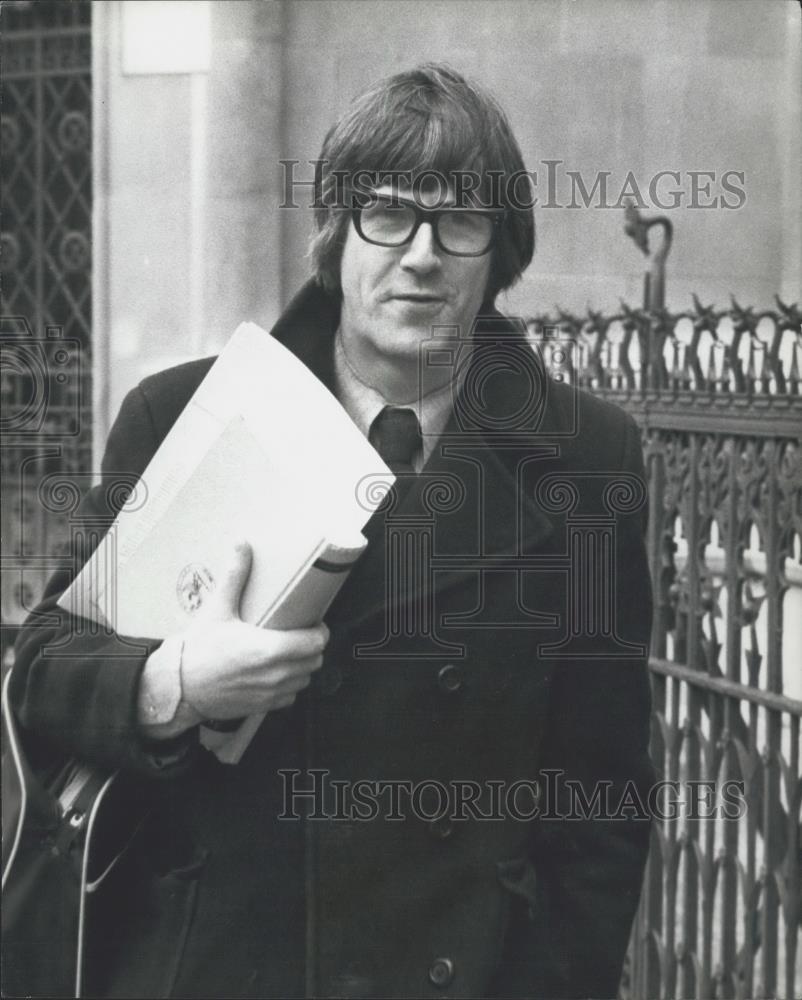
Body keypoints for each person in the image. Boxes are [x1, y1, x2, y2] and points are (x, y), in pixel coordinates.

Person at [9, 64, 655, 998]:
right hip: (215, 965)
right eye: (387, 212)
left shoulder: (588, 459)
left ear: (499, 251)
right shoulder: (186, 414)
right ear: (336, 234)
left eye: (461, 221)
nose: (421, 254)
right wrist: (179, 682)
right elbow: (45, 670)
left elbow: (601, 800)